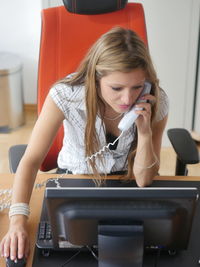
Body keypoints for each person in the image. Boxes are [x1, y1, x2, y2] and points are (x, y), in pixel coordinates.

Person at [0, 27, 168, 261]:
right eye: (116, 88)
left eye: (137, 87)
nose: (128, 99)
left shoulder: (155, 101)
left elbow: (144, 180)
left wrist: (145, 133)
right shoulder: (66, 95)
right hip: (73, 182)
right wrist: (17, 222)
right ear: (96, 77)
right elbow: (29, 161)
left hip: (127, 187)